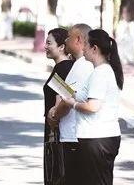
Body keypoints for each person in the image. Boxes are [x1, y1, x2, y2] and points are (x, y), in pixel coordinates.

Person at [61, 29, 123, 185]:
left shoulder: (100, 73)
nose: (83, 48)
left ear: (94, 48)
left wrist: (72, 104)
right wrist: (66, 91)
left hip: (98, 139)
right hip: (98, 138)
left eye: (86, 45)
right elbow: (81, 94)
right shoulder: (99, 71)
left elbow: (93, 106)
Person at [47, 23, 93, 185]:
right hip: (72, 135)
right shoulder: (75, 66)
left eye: (68, 37)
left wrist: (54, 114)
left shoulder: (75, 67)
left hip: (74, 136)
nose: (66, 41)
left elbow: (65, 101)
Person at [42, 28, 74, 184]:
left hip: (56, 130)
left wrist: (53, 124)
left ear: (62, 47)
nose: (45, 46)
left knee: (55, 174)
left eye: (49, 43)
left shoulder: (63, 68)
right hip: (57, 129)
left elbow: (60, 101)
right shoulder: (63, 66)